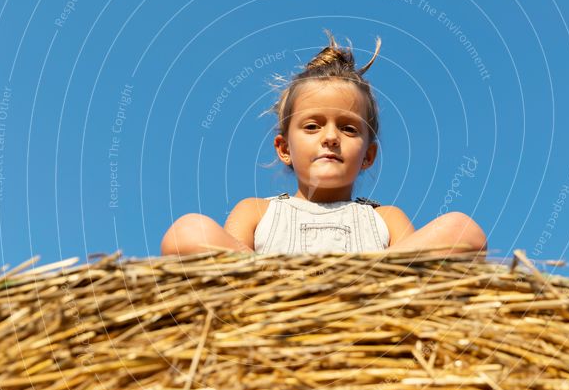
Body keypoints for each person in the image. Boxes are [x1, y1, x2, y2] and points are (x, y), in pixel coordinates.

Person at [160, 30, 487, 258]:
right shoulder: (258, 211)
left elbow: (429, 265)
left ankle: (360, 289)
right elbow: (213, 258)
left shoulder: (385, 218)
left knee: (462, 229)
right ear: (284, 148)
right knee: (187, 230)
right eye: (313, 126)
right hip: (270, 311)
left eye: (348, 128)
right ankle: (275, 293)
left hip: (369, 310)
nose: (330, 137)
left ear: (368, 156)